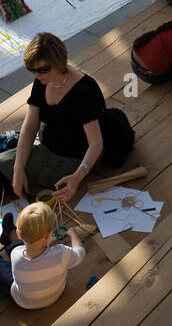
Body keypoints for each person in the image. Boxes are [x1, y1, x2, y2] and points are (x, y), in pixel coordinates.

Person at [0, 33, 134, 201]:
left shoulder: (83, 91)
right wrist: (18, 167)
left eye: (43, 69)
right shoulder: (43, 81)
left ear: (59, 63)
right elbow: (30, 126)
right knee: (11, 167)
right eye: (32, 70)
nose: (37, 75)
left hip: (73, 157)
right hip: (47, 143)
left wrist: (77, 177)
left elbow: (96, 143)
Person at [0, 202, 84, 310]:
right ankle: (9, 234)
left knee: (5, 268)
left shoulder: (15, 253)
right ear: (49, 234)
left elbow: (26, 254)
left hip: (25, 302)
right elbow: (80, 253)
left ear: (19, 234)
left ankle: (10, 235)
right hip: (55, 295)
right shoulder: (61, 252)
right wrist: (73, 234)